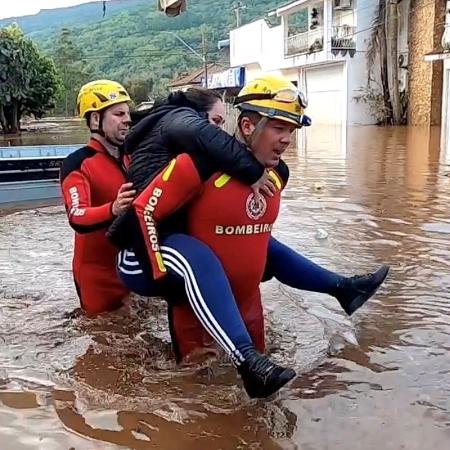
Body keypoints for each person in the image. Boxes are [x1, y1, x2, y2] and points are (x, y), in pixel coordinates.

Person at [110, 76, 389, 398]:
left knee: (266, 399)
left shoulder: (278, 174)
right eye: (278, 128)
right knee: (192, 396)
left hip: (246, 298)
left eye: (292, 131)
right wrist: (162, 276)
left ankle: (343, 290)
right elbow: (146, 211)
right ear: (246, 126)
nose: (287, 140)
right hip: (192, 300)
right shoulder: (197, 166)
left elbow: (254, 239)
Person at [60, 80, 136, 315]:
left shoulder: (132, 157)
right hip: (96, 278)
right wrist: (113, 208)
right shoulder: (78, 163)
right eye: (118, 113)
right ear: (95, 120)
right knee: (100, 340)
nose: (127, 119)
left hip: (131, 269)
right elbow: (77, 216)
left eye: (128, 113)